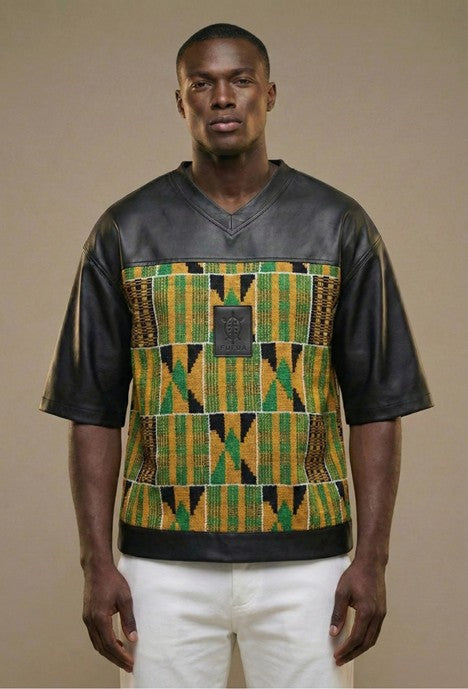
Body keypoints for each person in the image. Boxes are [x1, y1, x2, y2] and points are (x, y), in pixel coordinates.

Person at [39, 23, 433, 689]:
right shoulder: (125, 229)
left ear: (269, 94)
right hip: (160, 566)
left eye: (240, 80)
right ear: (181, 101)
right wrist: (96, 563)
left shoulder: (339, 225)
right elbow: (92, 412)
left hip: (310, 565)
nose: (222, 97)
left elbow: (377, 406)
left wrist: (372, 559)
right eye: (202, 83)